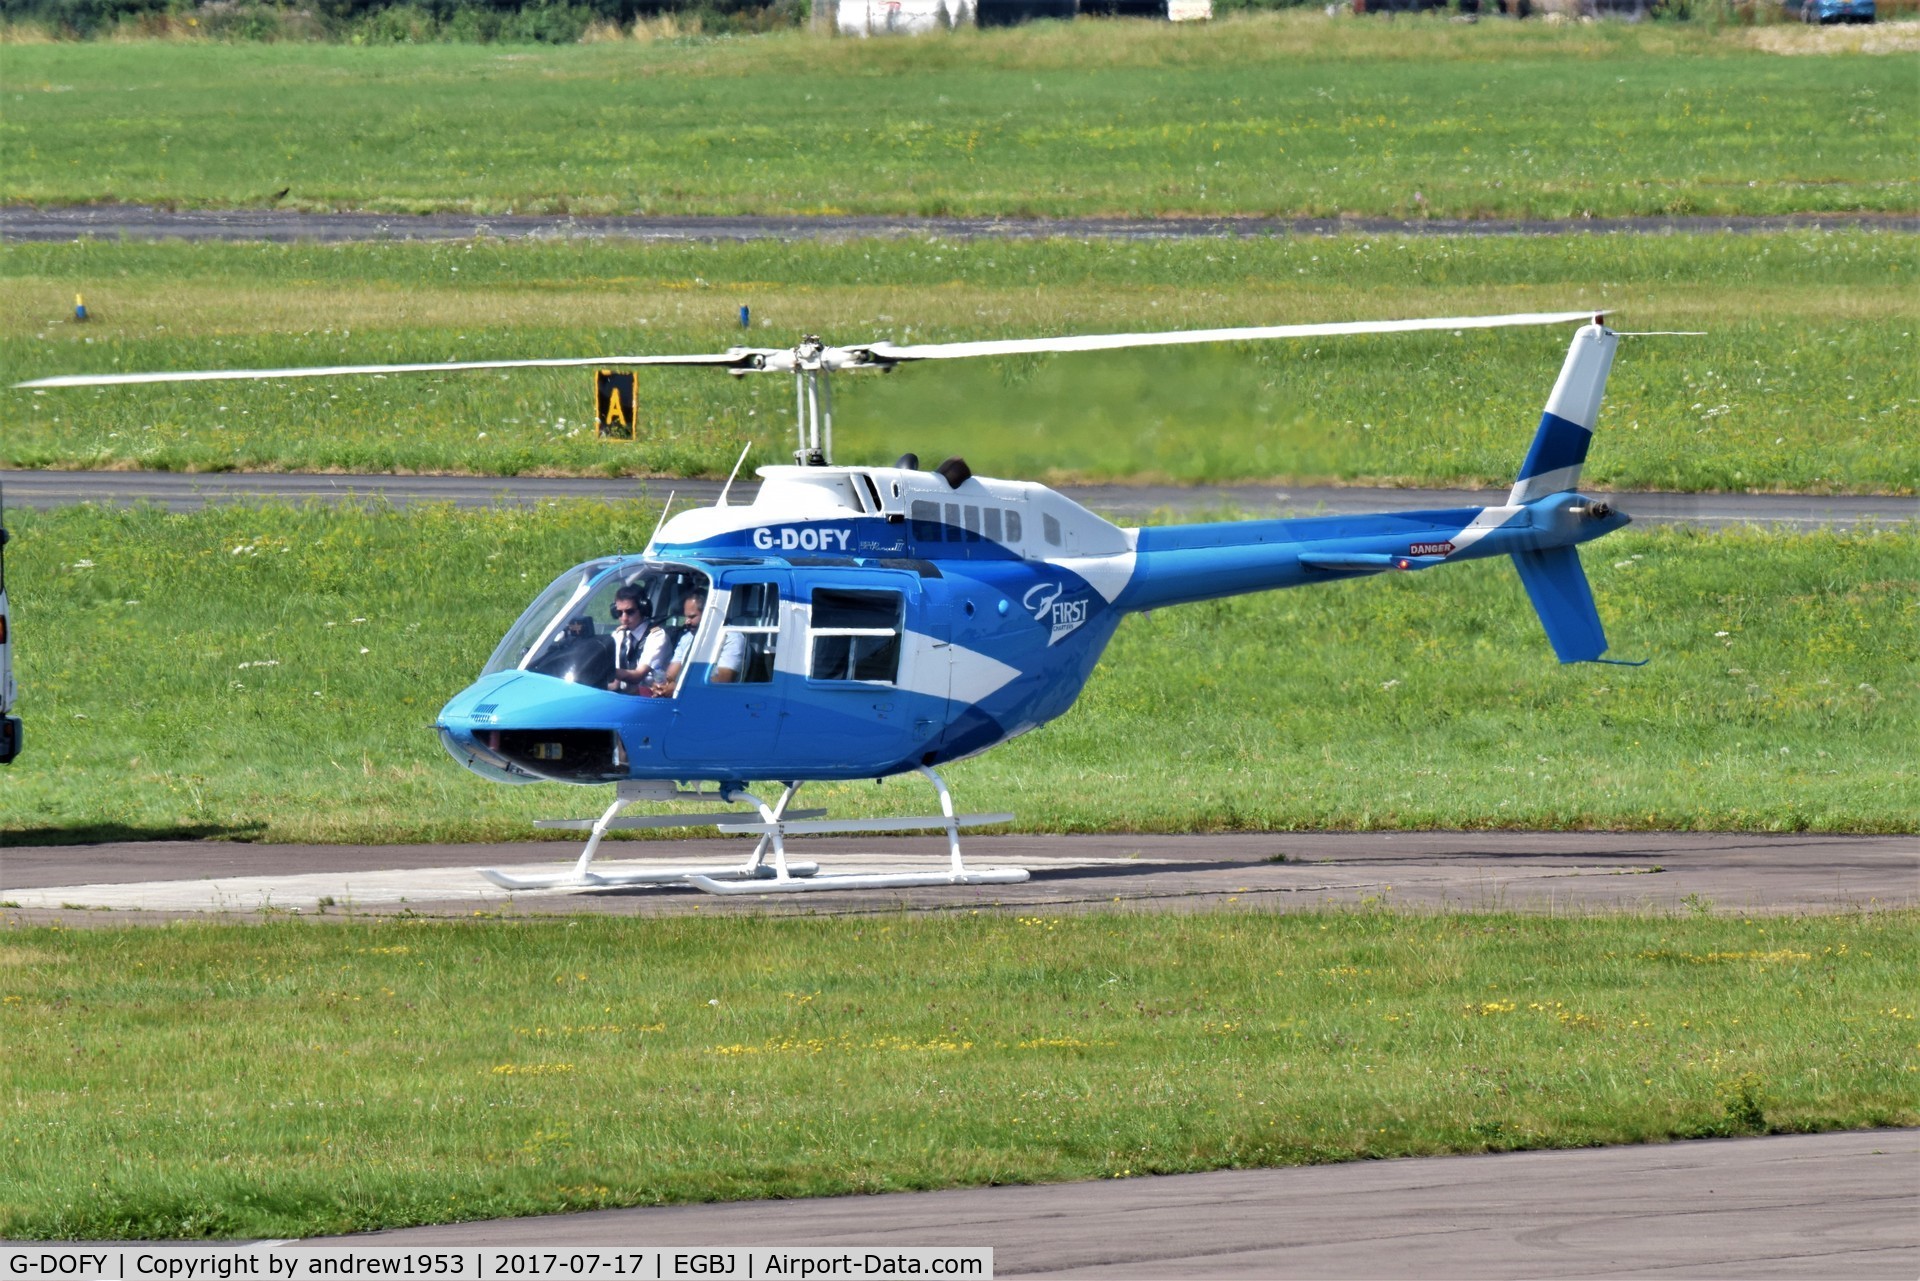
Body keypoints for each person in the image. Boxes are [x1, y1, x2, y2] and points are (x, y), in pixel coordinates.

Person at [653, 591, 745, 692]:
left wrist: (678, 688)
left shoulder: (731, 637)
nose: (686, 622)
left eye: (692, 617)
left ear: (709, 614)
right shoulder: (687, 638)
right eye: (686, 617)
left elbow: (722, 680)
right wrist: (662, 685)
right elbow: (671, 674)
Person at [606, 586, 667, 694]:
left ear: (643, 609)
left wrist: (604, 670)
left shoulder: (657, 637)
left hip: (648, 697)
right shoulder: (618, 635)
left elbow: (637, 676)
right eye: (619, 613)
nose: (624, 618)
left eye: (630, 612)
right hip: (623, 696)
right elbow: (616, 683)